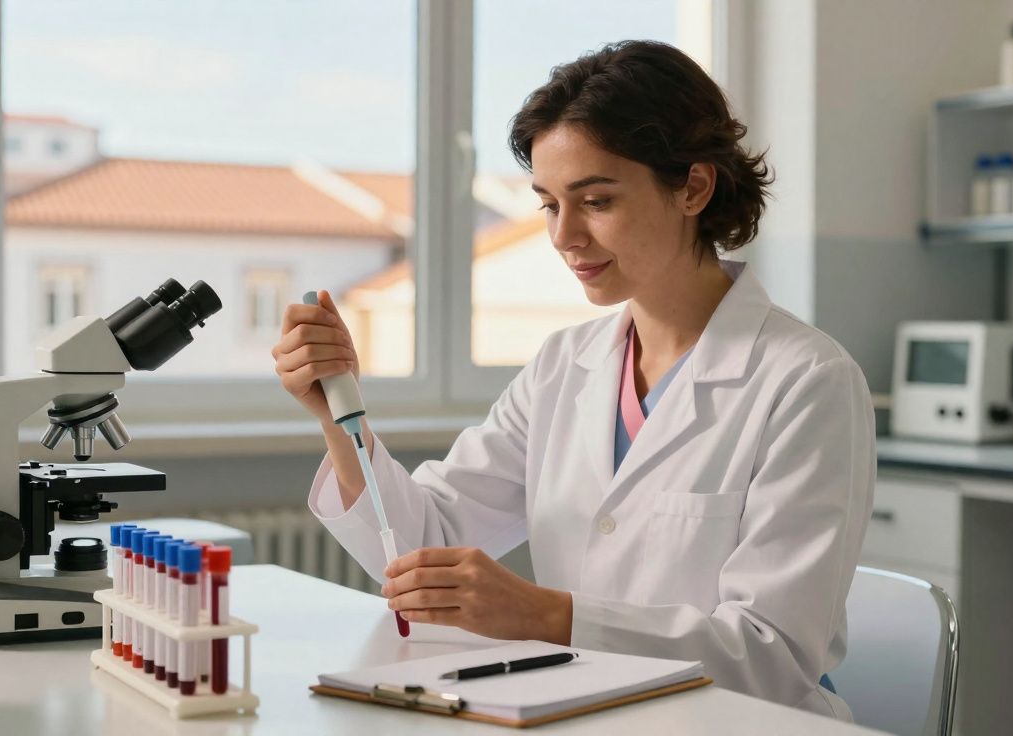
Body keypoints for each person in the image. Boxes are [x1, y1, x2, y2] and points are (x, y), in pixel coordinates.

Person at [271, 40, 873, 720]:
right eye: (550, 205)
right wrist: (337, 416)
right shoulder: (565, 365)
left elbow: (772, 654)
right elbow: (425, 548)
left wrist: (547, 615)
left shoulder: (806, 382)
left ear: (693, 188)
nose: (564, 236)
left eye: (596, 200)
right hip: (586, 713)